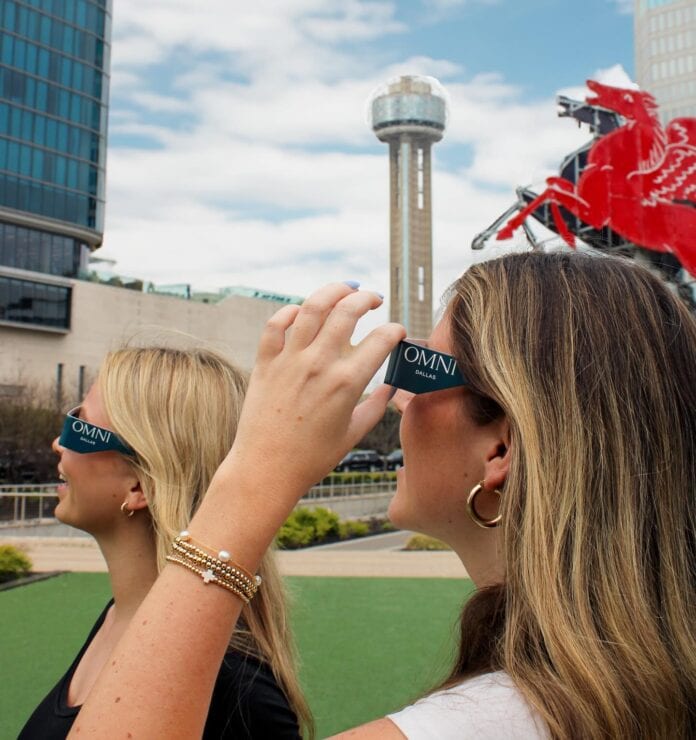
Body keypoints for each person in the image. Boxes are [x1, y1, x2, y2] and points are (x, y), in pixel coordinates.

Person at [68, 252, 695, 739]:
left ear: (499, 449)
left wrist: (256, 473)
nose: (396, 399)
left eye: (418, 370)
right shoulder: (647, 683)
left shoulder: (490, 722)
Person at [19, 347, 312, 739]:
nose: (59, 442)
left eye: (78, 426)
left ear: (139, 485)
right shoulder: (120, 615)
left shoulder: (236, 690)